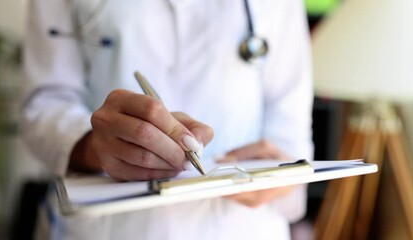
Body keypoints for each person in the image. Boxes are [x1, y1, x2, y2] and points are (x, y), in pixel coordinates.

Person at [21, 0, 314, 239]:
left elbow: (290, 118)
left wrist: (282, 174)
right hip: (114, 227)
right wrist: (93, 145)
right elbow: (43, 105)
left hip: (241, 225)